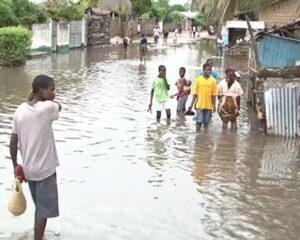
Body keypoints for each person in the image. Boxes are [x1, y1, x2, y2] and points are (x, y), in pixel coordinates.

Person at [10, 75, 62, 240]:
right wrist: (52, 101)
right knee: (43, 212)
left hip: (29, 170)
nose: (55, 92)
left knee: (39, 208)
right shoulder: (47, 108)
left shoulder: (20, 110)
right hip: (45, 171)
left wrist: (15, 166)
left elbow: (13, 142)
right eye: (52, 89)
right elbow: (58, 106)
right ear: (42, 91)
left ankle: (37, 236)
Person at [187, 63, 217, 132]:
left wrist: (214, 106)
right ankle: (197, 136)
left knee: (206, 123)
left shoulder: (213, 81)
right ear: (203, 70)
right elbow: (195, 94)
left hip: (209, 106)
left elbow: (214, 95)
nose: (208, 71)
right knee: (199, 122)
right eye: (207, 70)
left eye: (210, 70)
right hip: (200, 105)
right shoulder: (198, 80)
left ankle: (204, 136)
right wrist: (191, 105)